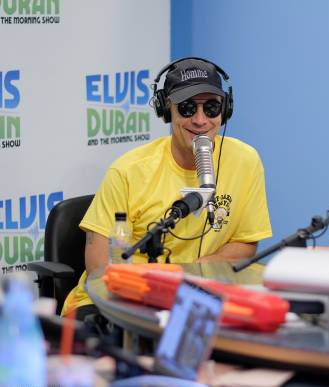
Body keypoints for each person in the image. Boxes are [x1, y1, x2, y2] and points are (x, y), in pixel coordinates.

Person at [63, 57, 272, 318]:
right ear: (166, 110)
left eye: (211, 107)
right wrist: (162, 287)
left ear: (225, 110)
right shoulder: (129, 170)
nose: (200, 120)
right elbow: (98, 265)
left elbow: (245, 244)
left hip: (193, 297)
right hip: (117, 298)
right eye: (186, 108)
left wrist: (190, 275)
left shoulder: (246, 161)